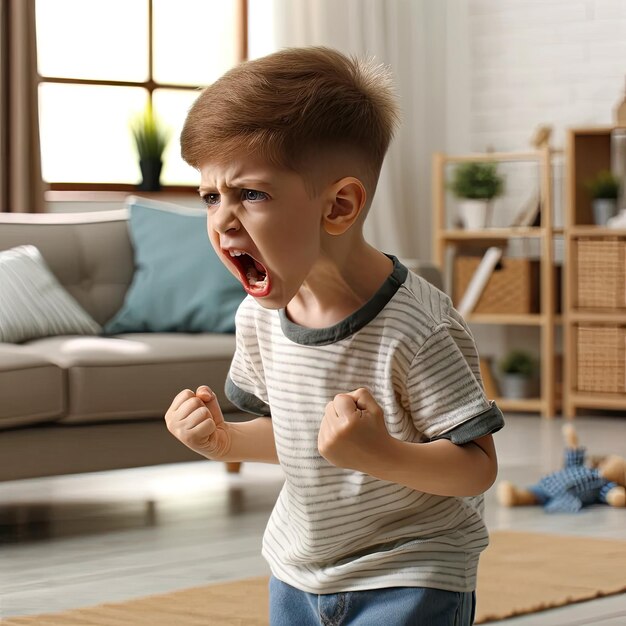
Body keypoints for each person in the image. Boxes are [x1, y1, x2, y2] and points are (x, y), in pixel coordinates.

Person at [165, 46, 504, 626]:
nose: (222, 221)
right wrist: (223, 442)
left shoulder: (418, 326)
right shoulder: (258, 319)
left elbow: (476, 466)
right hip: (299, 571)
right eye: (210, 197)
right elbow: (295, 436)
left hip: (413, 573)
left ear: (340, 206)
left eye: (251, 193)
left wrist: (379, 454)